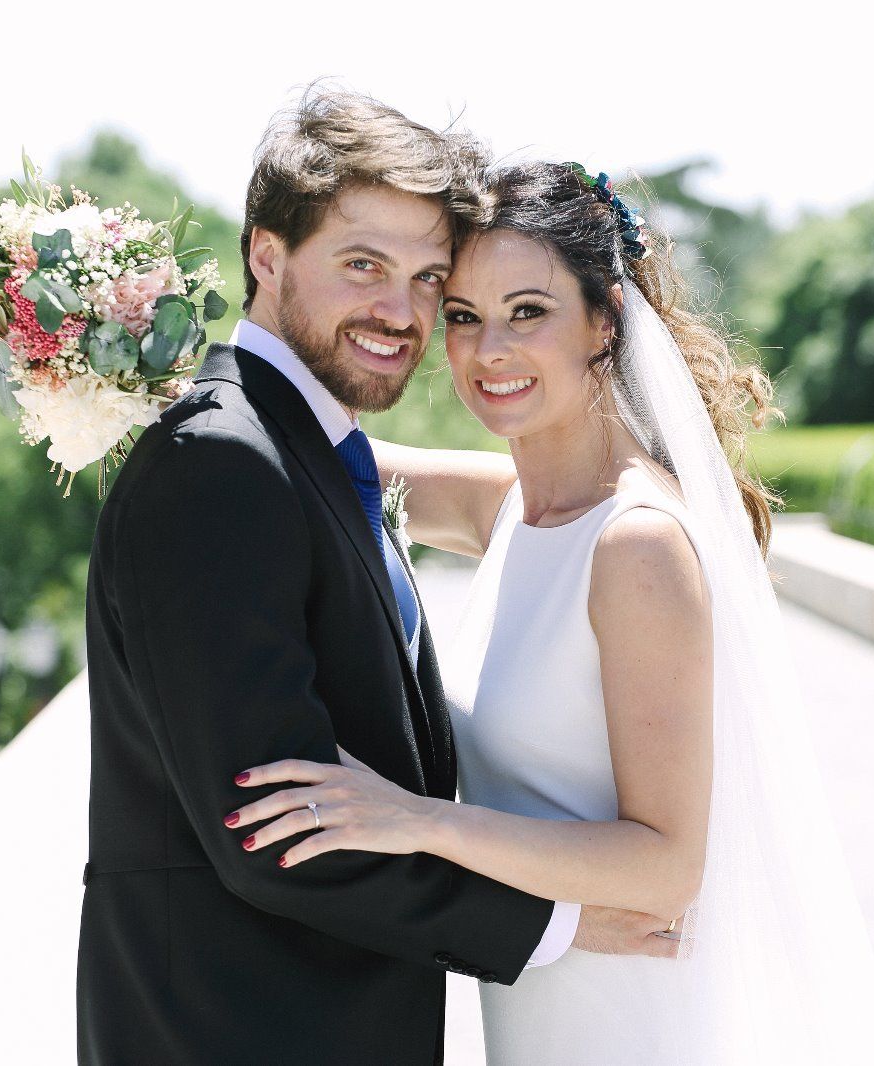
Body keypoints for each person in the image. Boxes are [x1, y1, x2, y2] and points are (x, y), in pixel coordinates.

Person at [227, 160, 874, 1063]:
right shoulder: (507, 504)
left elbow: (667, 867)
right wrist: (104, 348)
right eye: (463, 317)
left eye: (528, 312)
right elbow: (300, 438)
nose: (488, 352)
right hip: (542, 1005)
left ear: (605, 321)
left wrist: (411, 819)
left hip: (629, 1016)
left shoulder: (636, 547)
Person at [78, 88, 663, 1066]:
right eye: (363, 267)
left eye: (429, 278)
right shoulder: (222, 462)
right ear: (267, 257)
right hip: (235, 1033)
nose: (400, 312)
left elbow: (543, 500)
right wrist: (559, 923)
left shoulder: (310, 446)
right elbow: (271, 826)